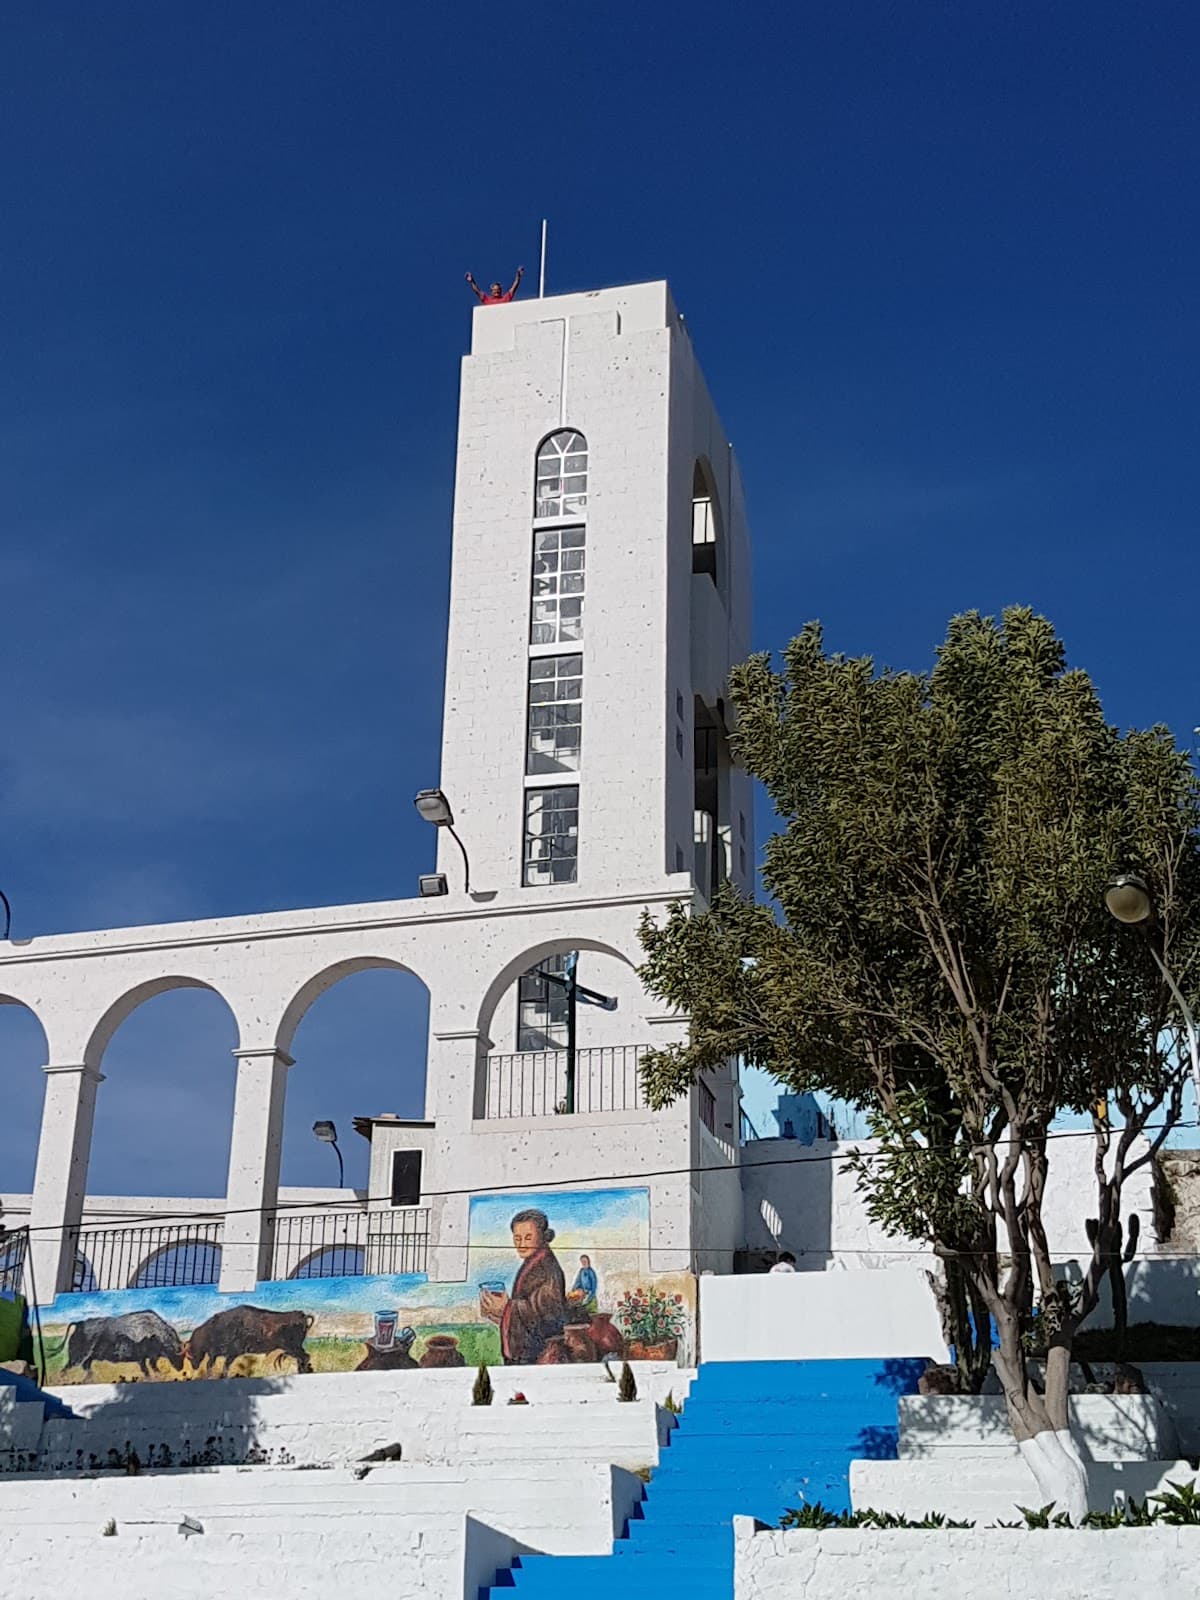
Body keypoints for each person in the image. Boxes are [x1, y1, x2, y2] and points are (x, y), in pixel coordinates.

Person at [480, 1208, 567, 1363]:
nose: (521, 1244)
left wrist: (507, 1308)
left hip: (538, 1354)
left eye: (528, 1238)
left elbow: (547, 1313)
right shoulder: (533, 1262)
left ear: (542, 1237)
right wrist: (501, 1314)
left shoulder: (547, 1267)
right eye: (517, 1238)